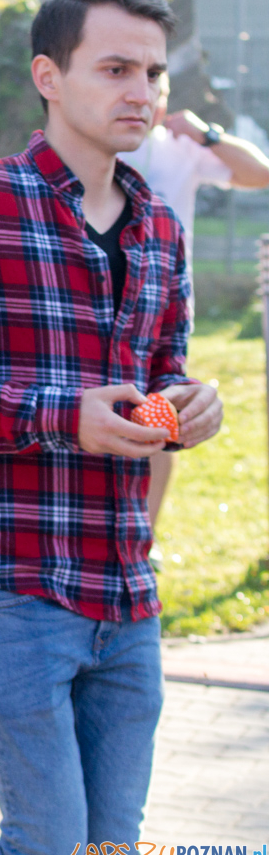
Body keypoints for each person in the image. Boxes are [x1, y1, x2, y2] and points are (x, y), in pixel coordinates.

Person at [0, 0, 223, 855]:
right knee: (46, 853)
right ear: (49, 76)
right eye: (114, 67)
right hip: (14, 581)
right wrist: (61, 418)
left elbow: (150, 395)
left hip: (126, 589)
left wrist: (184, 412)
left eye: (151, 71)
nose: (141, 90)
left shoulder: (161, 231)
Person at [121, 72, 269, 523]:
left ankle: (145, 530)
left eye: (158, 91)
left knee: (160, 413)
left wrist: (208, 134)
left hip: (162, 306)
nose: (147, 100)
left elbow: (260, 174)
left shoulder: (179, 147)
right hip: (98, 300)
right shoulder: (100, 146)